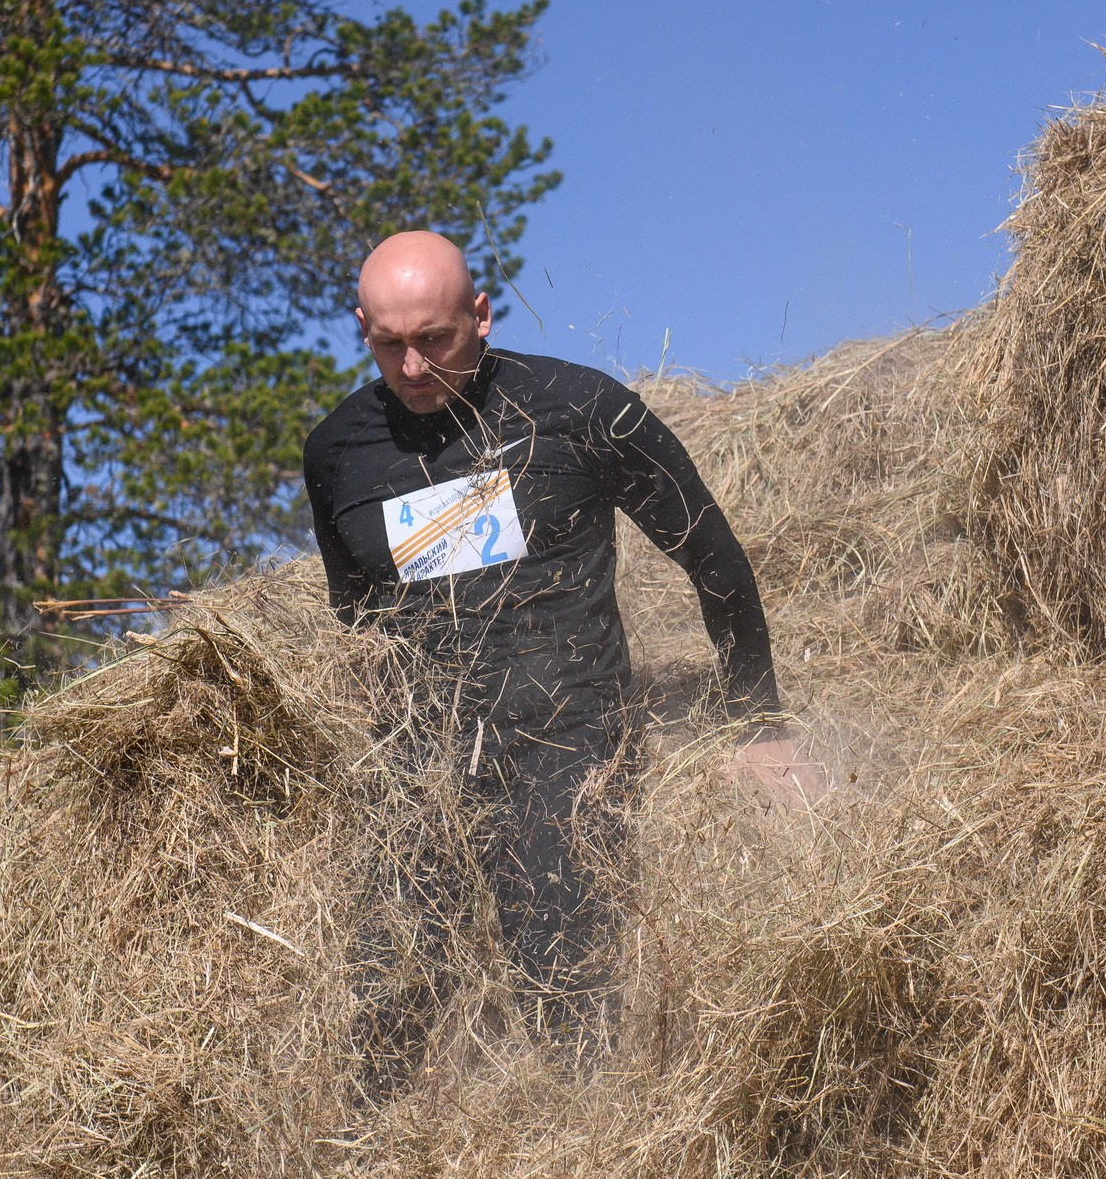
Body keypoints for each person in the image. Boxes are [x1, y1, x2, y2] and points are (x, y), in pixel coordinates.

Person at [303, 231, 820, 1092]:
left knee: (562, 976)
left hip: (569, 739)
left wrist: (757, 719)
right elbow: (356, 622)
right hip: (423, 760)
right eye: (388, 343)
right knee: (384, 1008)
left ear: (480, 314)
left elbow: (713, 557)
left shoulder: (581, 409)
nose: (414, 365)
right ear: (360, 326)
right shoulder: (338, 452)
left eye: (434, 338)